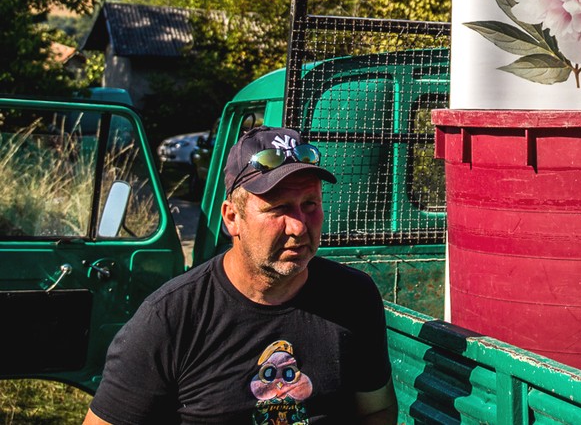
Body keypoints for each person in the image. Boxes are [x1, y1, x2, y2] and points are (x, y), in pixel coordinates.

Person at [85, 126, 397, 425]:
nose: (299, 226)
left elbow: (376, 410)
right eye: (279, 209)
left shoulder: (352, 296)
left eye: (310, 204)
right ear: (232, 218)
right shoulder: (171, 317)